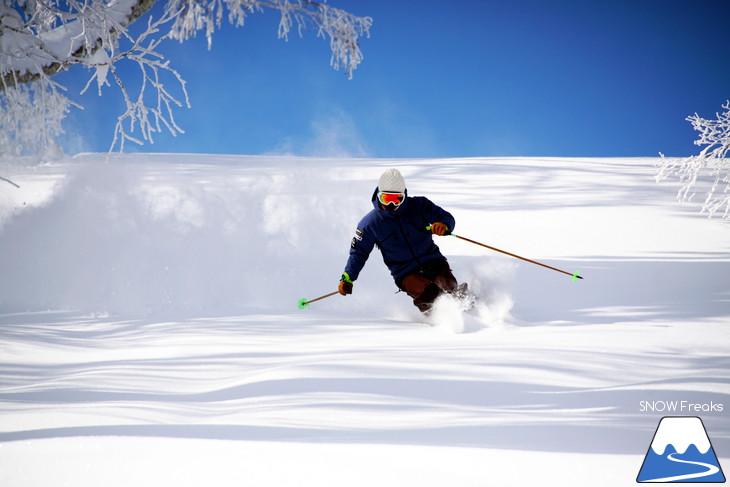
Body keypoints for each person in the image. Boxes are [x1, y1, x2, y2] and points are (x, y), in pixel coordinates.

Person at [338, 168, 463, 313]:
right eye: (386, 199)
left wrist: (444, 225)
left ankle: (468, 305)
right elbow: (358, 253)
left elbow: (446, 218)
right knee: (430, 293)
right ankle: (439, 319)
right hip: (406, 272)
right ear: (378, 196)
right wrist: (347, 278)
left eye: (397, 199)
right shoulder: (370, 224)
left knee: (449, 286)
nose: (391, 205)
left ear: (404, 196)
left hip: (432, 260)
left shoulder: (419, 206)